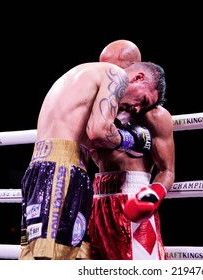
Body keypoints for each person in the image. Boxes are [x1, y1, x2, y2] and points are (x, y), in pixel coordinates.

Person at [19, 59, 167, 260]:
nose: (138, 109)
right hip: (63, 170)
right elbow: (98, 131)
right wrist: (132, 141)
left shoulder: (81, 75)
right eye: (143, 100)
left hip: (42, 166)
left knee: (51, 255)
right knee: (51, 259)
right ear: (138, 78)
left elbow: (89, 138)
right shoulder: (116, 75)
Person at [78, 39, 175, 260]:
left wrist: (152, 194)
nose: (108, 74)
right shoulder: (99, 112)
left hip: (132, 198)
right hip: (97, 202)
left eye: (115, 67)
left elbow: (167, 170)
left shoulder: (153, 115)